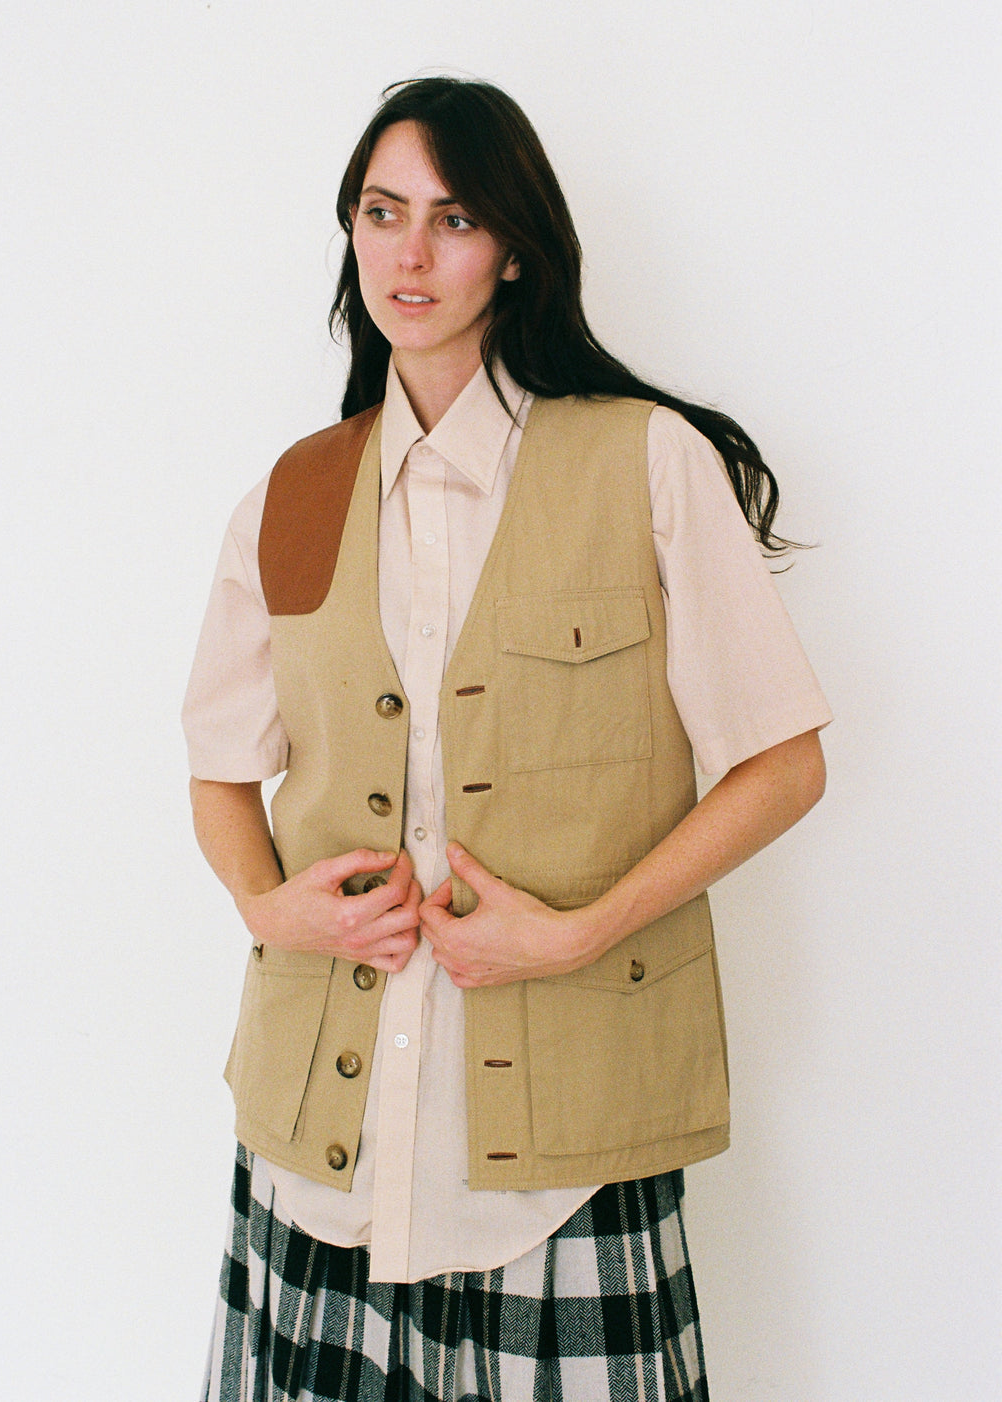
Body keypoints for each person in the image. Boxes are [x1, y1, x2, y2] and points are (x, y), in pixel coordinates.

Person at [184, 76, 830, 1402]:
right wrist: (271, 903)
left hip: (561, 1141)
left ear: (515, 247)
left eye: (454, 216)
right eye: (381, 213)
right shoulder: (293, 492)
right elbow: (219, 765)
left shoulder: (645, 463)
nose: (409, 254)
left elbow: (783, 761)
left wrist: (580, 928)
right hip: (326, 1147)